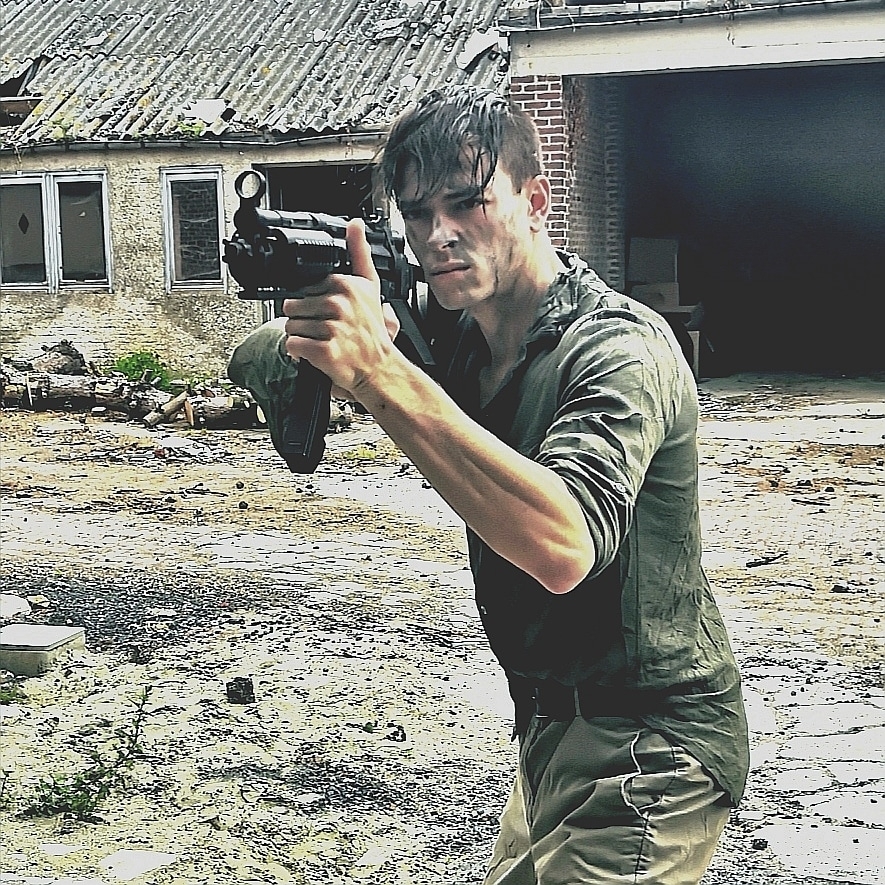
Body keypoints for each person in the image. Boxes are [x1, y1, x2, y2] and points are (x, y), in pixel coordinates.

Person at [228, 85, 749, 884]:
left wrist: (378, 371)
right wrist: (323, 332)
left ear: (534, 202)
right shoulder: (458, 334)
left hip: (653, 744)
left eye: (467, 204)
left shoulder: (619, 347)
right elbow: (255, 355)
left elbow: (562, 545)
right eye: (417, 213)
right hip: (546, 730)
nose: (439, 234)